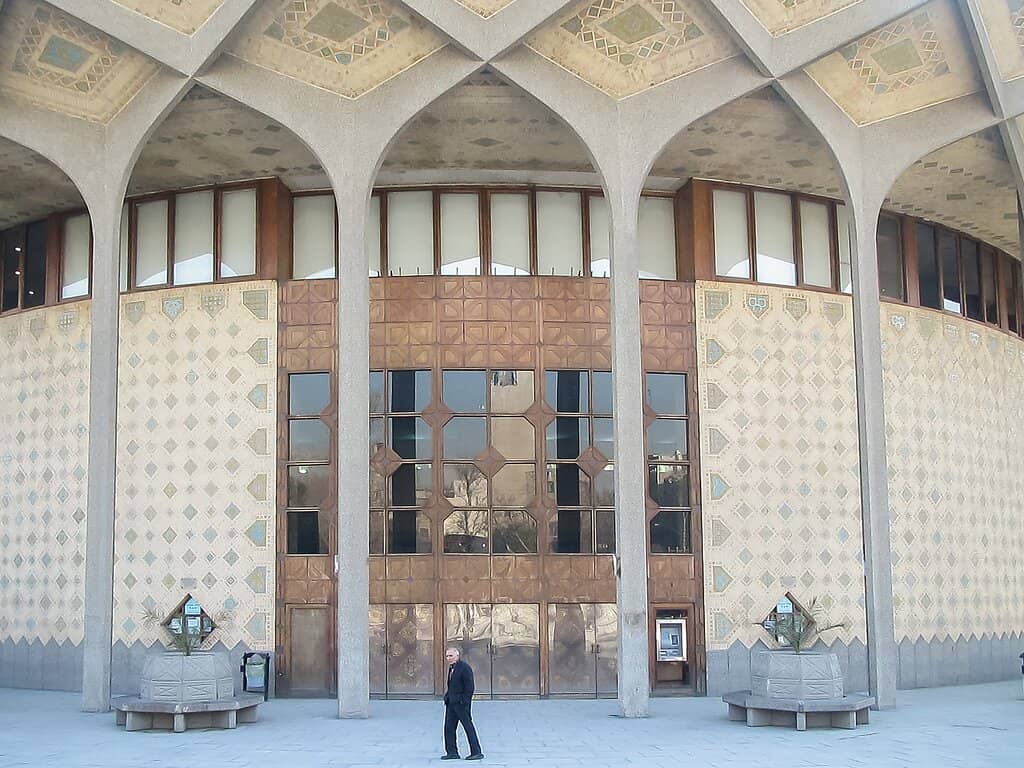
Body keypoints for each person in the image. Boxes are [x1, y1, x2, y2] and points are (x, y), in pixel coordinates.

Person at [441, 647, 483, 761]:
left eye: (451, 656)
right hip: (451, 703)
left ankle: (476, 752)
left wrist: (463, 700)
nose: (448, 658)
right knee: (449, 727)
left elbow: (470, 687)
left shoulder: (464, 668)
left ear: (457, 656)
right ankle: (452, 752)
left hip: (461, 704)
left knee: (468, 727)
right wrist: (447, 696)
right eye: (447, 656)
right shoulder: (451, 668)